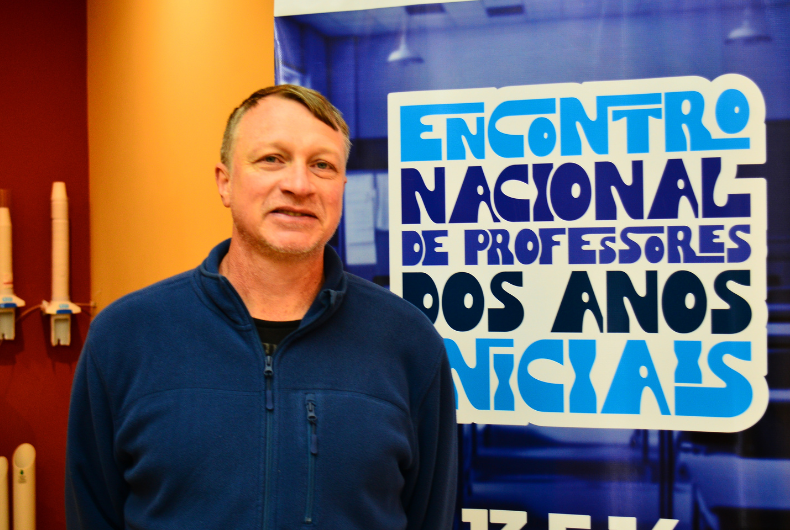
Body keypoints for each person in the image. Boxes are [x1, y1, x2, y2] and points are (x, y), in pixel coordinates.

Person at [65, 85, 457, 529]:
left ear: (341, 188)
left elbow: (432, 515)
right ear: (225, 182)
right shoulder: (125, 337)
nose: (299, 185)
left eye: (323, 165)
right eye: (272, 159)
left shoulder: (407, 341)